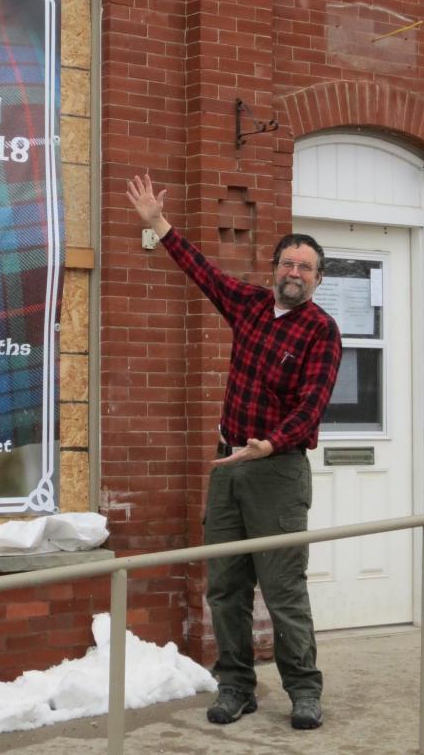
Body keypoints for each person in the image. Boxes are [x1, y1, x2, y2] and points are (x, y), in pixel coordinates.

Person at [126, 174, 342, 731]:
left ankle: (303, 691)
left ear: (318, 279)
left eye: (306, 268)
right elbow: (203, 271)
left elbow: (311, 408)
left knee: (283, 590)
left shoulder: (322, 332)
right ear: (274, 268)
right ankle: (236, 687)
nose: (294, 274)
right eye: (287, 264)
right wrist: (157, 223)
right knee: (226, 587)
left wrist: (268, 444)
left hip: (276, 472)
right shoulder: (247, 305)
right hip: (228, 470)